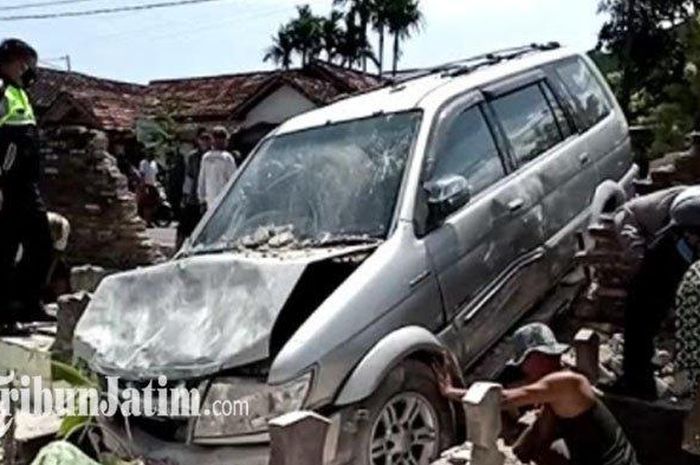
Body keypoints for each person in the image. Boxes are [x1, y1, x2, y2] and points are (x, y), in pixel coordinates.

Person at [437, 323, 639, 465]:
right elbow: (539, 434)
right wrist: (513, 455)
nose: (524, 369)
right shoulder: (557, 389)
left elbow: (503, 399)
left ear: (537, 356)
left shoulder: (567, 382)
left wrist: (450, 392)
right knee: (546, 452)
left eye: (524, 362)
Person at [611, 186, 700, 399]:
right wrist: (641, 261)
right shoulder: (640, 216)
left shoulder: (689, 207)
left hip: (677, 238)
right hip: (658, 242)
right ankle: (638, 381)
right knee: (641, 311)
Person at [0, 38, 54, 323]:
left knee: (42, 245)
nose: (28, 69)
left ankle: (28, 302)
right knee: (5, 251)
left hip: (26, 185)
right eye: (24, 62)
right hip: (6, 186)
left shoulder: (20, 93)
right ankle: (4, 315)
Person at [176, 128, 211, 249]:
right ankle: (177, 252)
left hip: (209, 197)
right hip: (193, 197)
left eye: (207, 138)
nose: (205, 141)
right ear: (198, 140)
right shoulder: (193, 157)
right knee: (183, 227)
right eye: (203, 138)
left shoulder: (213, 156)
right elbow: (189, 177)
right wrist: (185, 195)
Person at [197, 126, 236, 211]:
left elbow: (201, 180)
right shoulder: (227, 158)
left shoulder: (206, 157)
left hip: (210, 200)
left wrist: (202, 200)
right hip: (226, 200)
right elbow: (233, 180)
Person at [138, 152, 159, 225]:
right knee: (146, 205)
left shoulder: (154, 163)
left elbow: (155, 174)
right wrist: (143, 186)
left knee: (153, 203)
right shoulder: (143, 163)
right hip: (146, 185)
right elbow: (142, 175)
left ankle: (150, 220)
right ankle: (147, 221)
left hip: (153, 185)